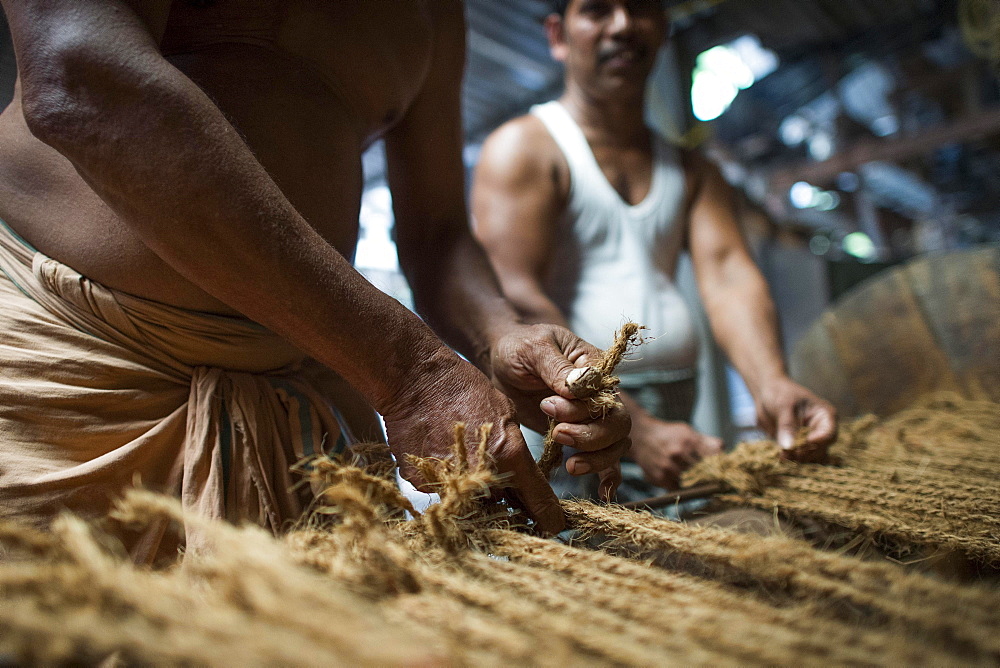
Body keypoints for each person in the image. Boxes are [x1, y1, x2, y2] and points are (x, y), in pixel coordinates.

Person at [0, 0, 632, 558]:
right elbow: (81, 75)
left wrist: (497, 333)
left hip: (303, 395)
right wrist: (411, 372)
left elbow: (436, 233)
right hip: (67, 365)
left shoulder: (436, 11)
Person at [471, 0, 837, 502]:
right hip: (563, 423)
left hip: (675, 406)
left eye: (640, 9)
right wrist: (636, 430)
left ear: (662, 29)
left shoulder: (693, 171)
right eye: (597, 10)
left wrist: (772, 384)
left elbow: (729, 277)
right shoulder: (525, 149)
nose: (622, 26)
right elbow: (515, 296)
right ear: (558, 36)